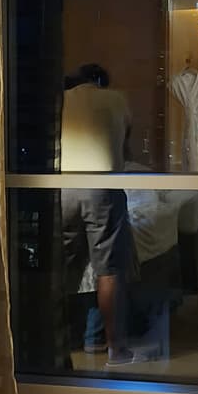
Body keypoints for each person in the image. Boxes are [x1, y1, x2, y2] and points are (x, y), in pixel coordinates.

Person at [61, 63, 141, 367]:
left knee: (63, 267)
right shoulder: (116, 100)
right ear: (100, 82)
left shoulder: (61, 99)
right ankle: (116, 349)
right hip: (101, 189)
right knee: (109, 269)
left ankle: (58, 341)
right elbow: (126, 150)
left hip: (61, 188)